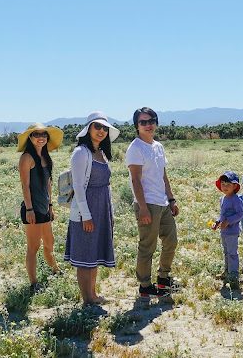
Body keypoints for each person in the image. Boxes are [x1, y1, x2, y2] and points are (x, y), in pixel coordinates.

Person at [64, 112, 119, 308]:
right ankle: (87, 300)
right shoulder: (81, 152)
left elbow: (107, 185)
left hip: (101, 208)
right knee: (84, 257)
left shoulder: (101, 153)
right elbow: (78, 186)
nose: (102, 131)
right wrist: (86, 216)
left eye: (105, 128)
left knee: (93, 256)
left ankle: (93, 295)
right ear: (88, 129)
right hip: (86, 210)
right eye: (98, 127)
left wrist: (110, 212)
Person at [125, 107, 180, 299]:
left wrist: (171, 199)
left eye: (151, 121)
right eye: (143, 122)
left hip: (163, 203)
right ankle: (145, 286)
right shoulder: (135, 148)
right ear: (137, 126)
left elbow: (163, 176)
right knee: (147, 246)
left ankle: (163, 279)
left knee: (171, 241)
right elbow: (136, 180)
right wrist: (142, 208)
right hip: (147, 204)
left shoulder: (158, 146)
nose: (148, 125)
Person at [17, 122, 64, 293]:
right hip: (33, 209)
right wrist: (29, 209)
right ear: (30, 138)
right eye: (36, 135)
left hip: (44, 208)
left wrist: (50, 205)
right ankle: (34, 282)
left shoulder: (45, 158)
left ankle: (55, 269)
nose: (41, 137)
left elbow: (48, 184)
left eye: (44, 134)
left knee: (49, 242)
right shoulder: (27, 158)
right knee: (33, 247)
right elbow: (25, 186)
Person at [212, 171, 243, 289]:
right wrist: (217, 222)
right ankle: (227, 271)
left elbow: (240, 214)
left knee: (232, 253)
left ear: (235, 186)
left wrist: (228, 221)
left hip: (232, 232)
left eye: (228, 184)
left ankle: (234, 275)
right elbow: (222, 214)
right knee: (226, 252)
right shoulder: (223, 199)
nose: (225, 187)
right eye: (223, 184)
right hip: (224, 231)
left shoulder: (235, 200)